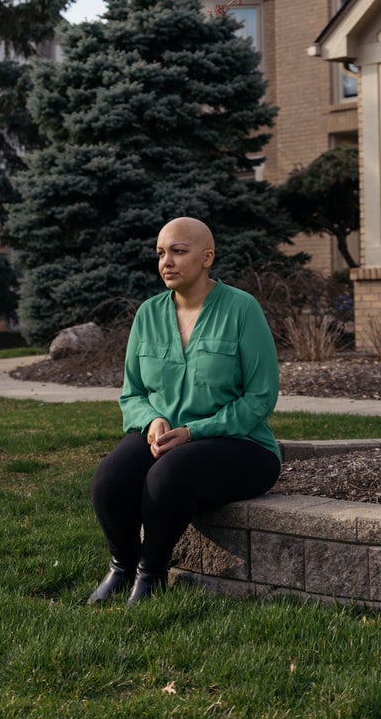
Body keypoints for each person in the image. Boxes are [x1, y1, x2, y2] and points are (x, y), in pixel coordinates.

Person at [87, 216, 282, 605]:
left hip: (240, 444)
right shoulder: (148, 314)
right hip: (163, 437)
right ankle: (122, 567)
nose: (167, 262)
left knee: (166, 477)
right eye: (161, 253)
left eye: (178, 251)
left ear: (207, 257)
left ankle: (151, 573)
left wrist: (194, 432)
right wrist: (152, 420)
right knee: (109, 480)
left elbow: (261, 397)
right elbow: (133, 393)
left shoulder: (242, 309)